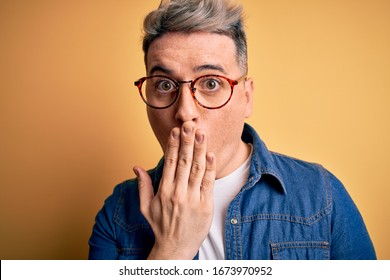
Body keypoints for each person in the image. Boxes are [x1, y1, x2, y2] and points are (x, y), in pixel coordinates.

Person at [88, 0, 376, 260]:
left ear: (246, 97)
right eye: (164, 85)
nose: (185, 112)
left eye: (211, 83)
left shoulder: (321, 196)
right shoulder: (117, 215)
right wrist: (172, 249)